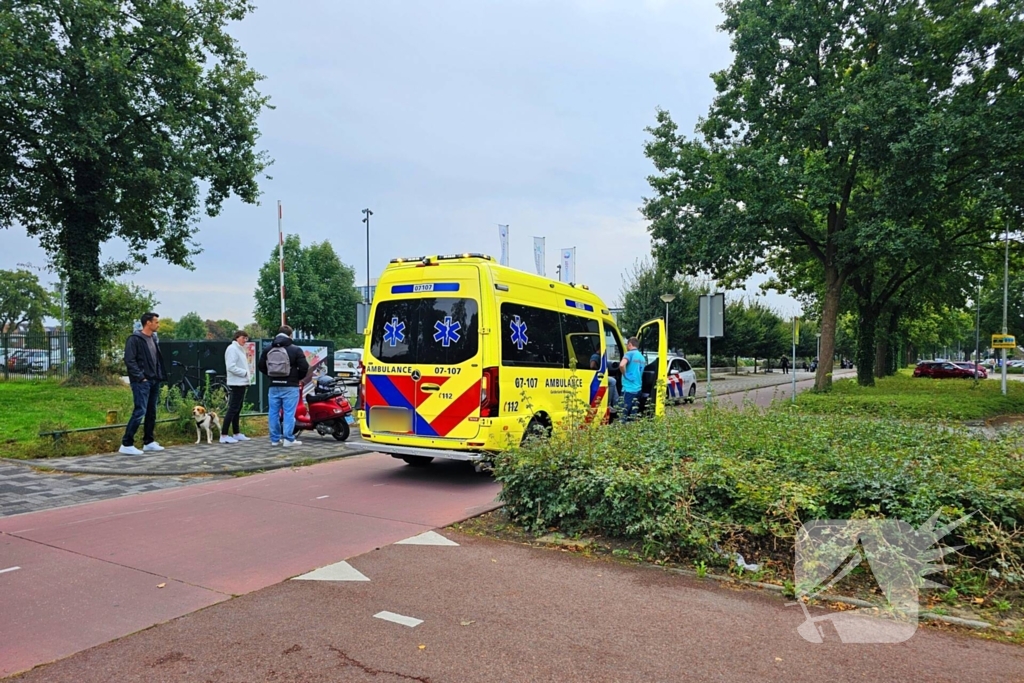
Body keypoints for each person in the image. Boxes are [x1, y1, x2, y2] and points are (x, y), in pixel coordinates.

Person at [120, 312, 166, 455]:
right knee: (140, 411)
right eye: (156, 322)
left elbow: (156, 359)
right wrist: (141, 378)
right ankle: (126, 443)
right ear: (148, 323)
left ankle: (149, 441)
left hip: (154, 380)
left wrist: (158, 376)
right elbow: (130, 360)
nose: (158, 324)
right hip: (141, 382)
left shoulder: (153, 338)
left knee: (152, 411)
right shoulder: (134, 339)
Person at [257, 325, 309, 447]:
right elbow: (304, 367)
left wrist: (271, 376)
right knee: (289, 413)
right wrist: (297, 378)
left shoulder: (268, 349)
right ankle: (288, 439)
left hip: (274, 386)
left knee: (273, 413)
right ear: (290, 335)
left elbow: (261, 366)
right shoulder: (295, 349)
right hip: (291, 386)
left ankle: (275, 440)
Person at [222, 330, 252, 443]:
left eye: (246, 338)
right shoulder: (232, 349)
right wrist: (244, 373)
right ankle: (224, 435)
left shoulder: (239, 349)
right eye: (244, 338)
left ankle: (236, 433)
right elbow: (230, 367)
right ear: (237, 337)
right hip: (236, 382)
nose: (245, 340)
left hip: (241, 382)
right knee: (233, 408)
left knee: (237, 408)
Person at [619, 337, 646, 421]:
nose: (627, 346)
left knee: (622, 414)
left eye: (627, 345)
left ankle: (620, 432)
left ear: (630, 344)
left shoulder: (629, 354)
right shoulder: (642, 357)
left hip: (628, 389)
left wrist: (625, 374)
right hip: (638, 389)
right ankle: (631, 432)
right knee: (633, 416)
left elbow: (621, 365)